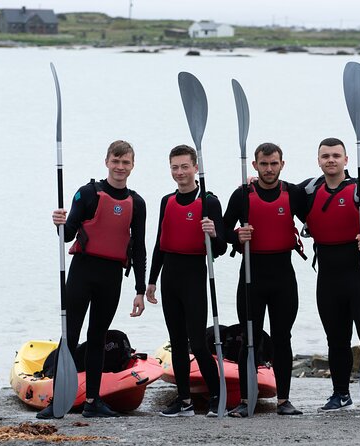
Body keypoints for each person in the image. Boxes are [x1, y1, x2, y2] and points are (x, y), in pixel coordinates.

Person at [38, 140, 147, 419]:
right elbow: (68, 235)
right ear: (107, 161)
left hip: (111, 277)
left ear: (132, 166)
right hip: (82, 272)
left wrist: (139, 288)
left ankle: (93, 401)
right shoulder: (87, 193)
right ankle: (57, 399)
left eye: (126, 162)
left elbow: (139, 248)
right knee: (70, 336)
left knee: (97, 337)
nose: (120, 167)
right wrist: (58, 223)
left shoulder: (137, 202)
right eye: (116, 161)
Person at [299, 137, 360, 414]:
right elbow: (275, 192)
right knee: (336, 338)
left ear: (346, 160)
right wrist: (252, 184)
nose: (331, 160)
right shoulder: (307, 191)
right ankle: (340, 394)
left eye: (336, 156)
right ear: (318, 160)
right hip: (328, 277)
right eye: (325, 156)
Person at [222, 142, 306, 417]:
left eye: (274, 163)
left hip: (283, 278)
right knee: (250, 339)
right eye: (264, 164)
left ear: (282, 164)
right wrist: (236, 236)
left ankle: (284, 400)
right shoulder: (242, 195)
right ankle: (246, 401)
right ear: (255, 165)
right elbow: (221, 233)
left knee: (283, 338)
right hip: (251, 277)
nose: (269, 169)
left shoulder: (293, 193)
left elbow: (318, 210)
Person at [146, 144, 226, 417]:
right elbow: (160, 242)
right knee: (177, 342)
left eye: (184, 166)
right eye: (174, 167)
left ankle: (217, 396)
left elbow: (222, 249)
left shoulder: (209, 202)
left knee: (199, 343)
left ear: (195, 168)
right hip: (170, 278)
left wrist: (214, 233)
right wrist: (151, 280)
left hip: (194, 277)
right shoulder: (166, 201)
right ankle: (184, 401)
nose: (179, 172)